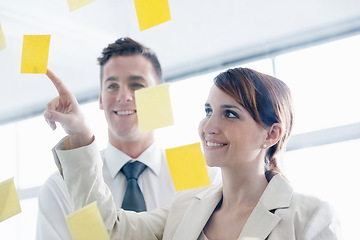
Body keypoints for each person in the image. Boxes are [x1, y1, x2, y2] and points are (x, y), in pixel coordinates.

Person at [46, 67, 341, 239]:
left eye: (230, 114)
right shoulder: (185, 206)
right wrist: (81, 135)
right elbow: (104, 232)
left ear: (272, 133)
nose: (208, 126)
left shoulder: (311, 217)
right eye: (208, 111)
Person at [36, 37, 221, 240]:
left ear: (159, 96)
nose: (123, 96)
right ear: (100, 98)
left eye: (137, 84)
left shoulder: (200, 171)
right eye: (112, 86)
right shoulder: (62, 186)